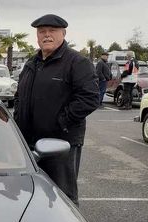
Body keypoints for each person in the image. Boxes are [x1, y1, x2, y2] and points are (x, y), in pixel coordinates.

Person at [14, 14, 99, 206]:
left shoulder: (76, 62)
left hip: (60, 144)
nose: (46, 35)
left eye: (52, 31)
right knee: (31, 194)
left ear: (63, 33)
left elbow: (90, 98)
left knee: (62, 198)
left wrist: (61, 121)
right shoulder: (31, 63)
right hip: (29, 143)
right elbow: (19, 96)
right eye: (42, 31)